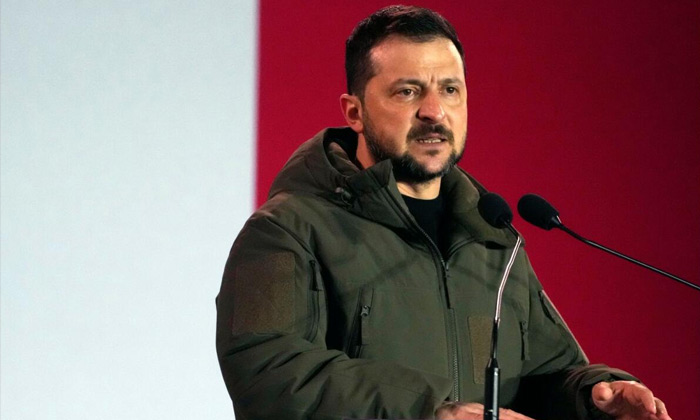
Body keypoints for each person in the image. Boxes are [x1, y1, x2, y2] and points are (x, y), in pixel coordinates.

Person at [216, 6, 671, 420]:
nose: (434, 112)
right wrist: (432, 413)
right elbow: (268, 373)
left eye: (450, 90)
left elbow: (539, 376)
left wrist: (595, 395)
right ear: (355, 112)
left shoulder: (492, 237)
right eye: (408, 91)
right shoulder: (282, 232)